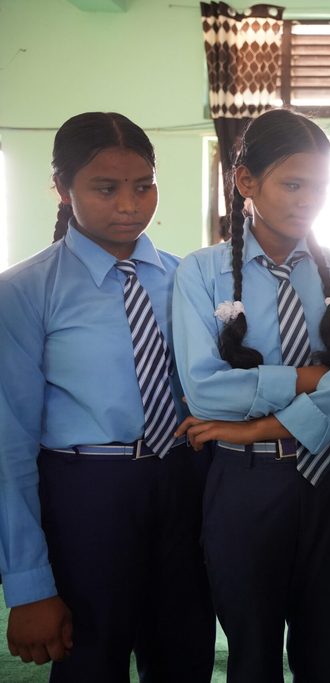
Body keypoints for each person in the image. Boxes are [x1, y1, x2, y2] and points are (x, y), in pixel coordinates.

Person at [0, 112, 214, 681]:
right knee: (91, 662)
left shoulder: (188, 280)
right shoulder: (24, 291)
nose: (129, 205)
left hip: (183, 481)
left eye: (143, 186)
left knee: (185, 656)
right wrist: (28, 586)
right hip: (86, 494)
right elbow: (9, 445)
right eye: (105, 188)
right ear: (62, 188)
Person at [172, 108, 330, 682]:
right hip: (245, 484)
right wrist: (310, 378)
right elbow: (205, 392)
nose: (309, 200)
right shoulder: (201, 274)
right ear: (246, 181)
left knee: (323, 654)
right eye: (293, 184)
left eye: (321, 187)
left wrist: (259, 425)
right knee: (252, 655)